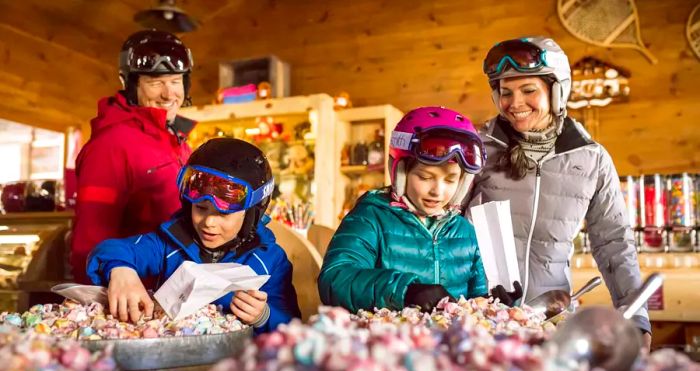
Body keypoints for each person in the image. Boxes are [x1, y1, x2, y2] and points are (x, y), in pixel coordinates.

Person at [464, 36, 651, 348]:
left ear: (557, 90)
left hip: (552, 323)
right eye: (505, 92)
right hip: (481, 322)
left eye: (528, 90)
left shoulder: (590, 158)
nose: (515, 103)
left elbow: (614, 243)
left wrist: (637, 318)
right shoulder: (478, 149)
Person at [319, 106, 522, 313]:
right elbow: (335, 279)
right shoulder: (371, 217)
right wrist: (406, 291)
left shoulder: (465, 232)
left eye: (451, 180)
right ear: (401, 172)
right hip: (385, 340)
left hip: (447, 343)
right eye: (425, 177)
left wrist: (493, 303)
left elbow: (474, 303)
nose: (438, 191)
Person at [86, 138, 301, 334]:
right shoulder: (169, 244)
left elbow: (292, 328)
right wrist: (121, 269)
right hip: (174, 360)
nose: (209, 222)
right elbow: (111, 249)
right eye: (201, 208)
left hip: (237, 367)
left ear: (252, 213)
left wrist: (264, 316)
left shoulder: (271, 261)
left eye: (224, 213)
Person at [71, 29, 197, 284]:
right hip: (135, 298)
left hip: (176, 292)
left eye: (175, 81)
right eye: (155, 82)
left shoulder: (179, 143)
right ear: (130, 84)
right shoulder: (110, 145)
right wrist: (100, 304)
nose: (168, 93)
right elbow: (90, 239)